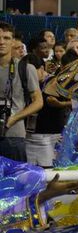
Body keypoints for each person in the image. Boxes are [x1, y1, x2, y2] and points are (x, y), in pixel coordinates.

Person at [0, 23, 43, 161]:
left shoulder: (25, 68)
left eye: (6, 38)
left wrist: (14, 118)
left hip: (13, 134)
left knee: (16, 181)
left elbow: (38, 101)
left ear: (13, 42)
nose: (1, 42)